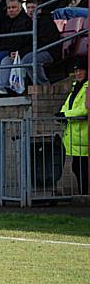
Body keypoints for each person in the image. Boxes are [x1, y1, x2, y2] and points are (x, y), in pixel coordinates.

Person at [58, 59, 88, 195]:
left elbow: (85, 109)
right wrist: (62, 113)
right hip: (75, 136)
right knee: (76, 167)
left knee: (82, 168)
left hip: (84, 135)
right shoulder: (76, 86)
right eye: (76, 71)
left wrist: (65, 114)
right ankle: (83, 194)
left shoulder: (87, 87)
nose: (78, 73)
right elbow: (67, 104)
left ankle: (84, 195)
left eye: (81, 70)